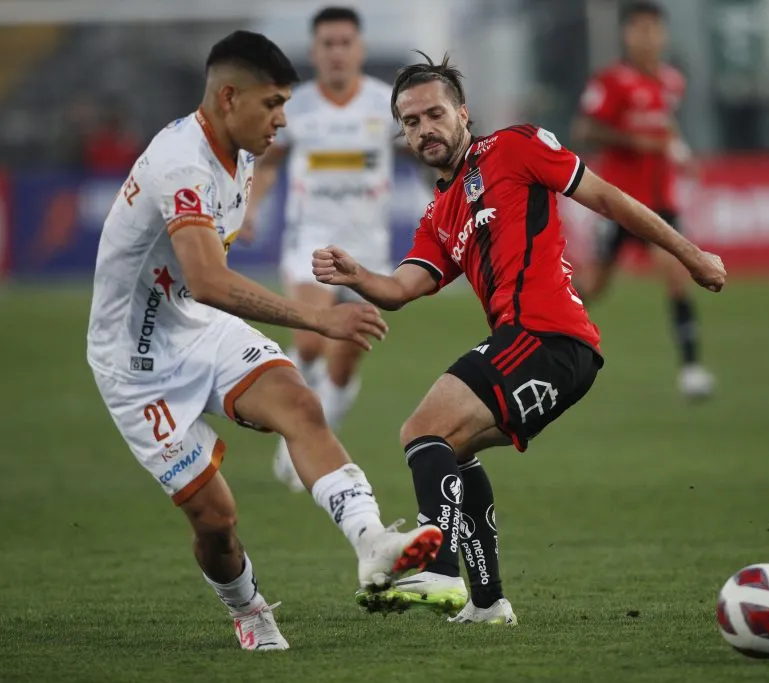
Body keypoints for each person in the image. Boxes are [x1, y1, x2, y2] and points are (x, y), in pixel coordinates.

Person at [310, 52, 726, 625]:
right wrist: (357, 275)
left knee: (422, 430)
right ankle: (488, 604)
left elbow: (608, 198)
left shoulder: (515, 147)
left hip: (550, 335)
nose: (425, 129)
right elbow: (402, 288)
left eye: (435, 114)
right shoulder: (439, 214)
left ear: (463, 113)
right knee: (452, 449)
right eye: (411, 122)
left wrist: (691, 254)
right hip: (540, 347)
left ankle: (441, 570)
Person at [85, 30, 442, 651]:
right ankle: (248, 610)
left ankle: (373, 543)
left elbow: (201, 286)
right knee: (216, 521)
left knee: (301, 404)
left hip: (196, 326)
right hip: (135, 365)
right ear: (229, 98)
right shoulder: (181, 163)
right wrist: (321, 319)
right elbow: (208, 280)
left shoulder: (244, 151)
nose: (283, 119)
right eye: (273, 104)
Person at [240, 7, 402, 492]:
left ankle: (319, 421)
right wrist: (250, 209)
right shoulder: (297, 108)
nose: (336, 52)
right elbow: (269, 163)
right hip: (310, 238)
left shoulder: (386, 105)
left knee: (345, 360)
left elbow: (422, 153)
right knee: (311, 340)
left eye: (345, 43)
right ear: (314, 51)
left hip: (368, 249)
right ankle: (302, 435)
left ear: (360, 49)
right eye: (328, 44)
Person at [571, 1, 716, 399]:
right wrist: (632, 141)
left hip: (659, 203)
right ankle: (535, 327)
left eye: (653, 29)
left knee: (677, 275)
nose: (647, 37)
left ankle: (692, 370)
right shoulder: (611, 81)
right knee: (593, 285)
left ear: (663, 34)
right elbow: (585, 129)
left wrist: (682, 154)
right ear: (627, 34)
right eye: (639, 29)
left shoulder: (671, 81)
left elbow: (666, 126)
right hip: (617, 202)